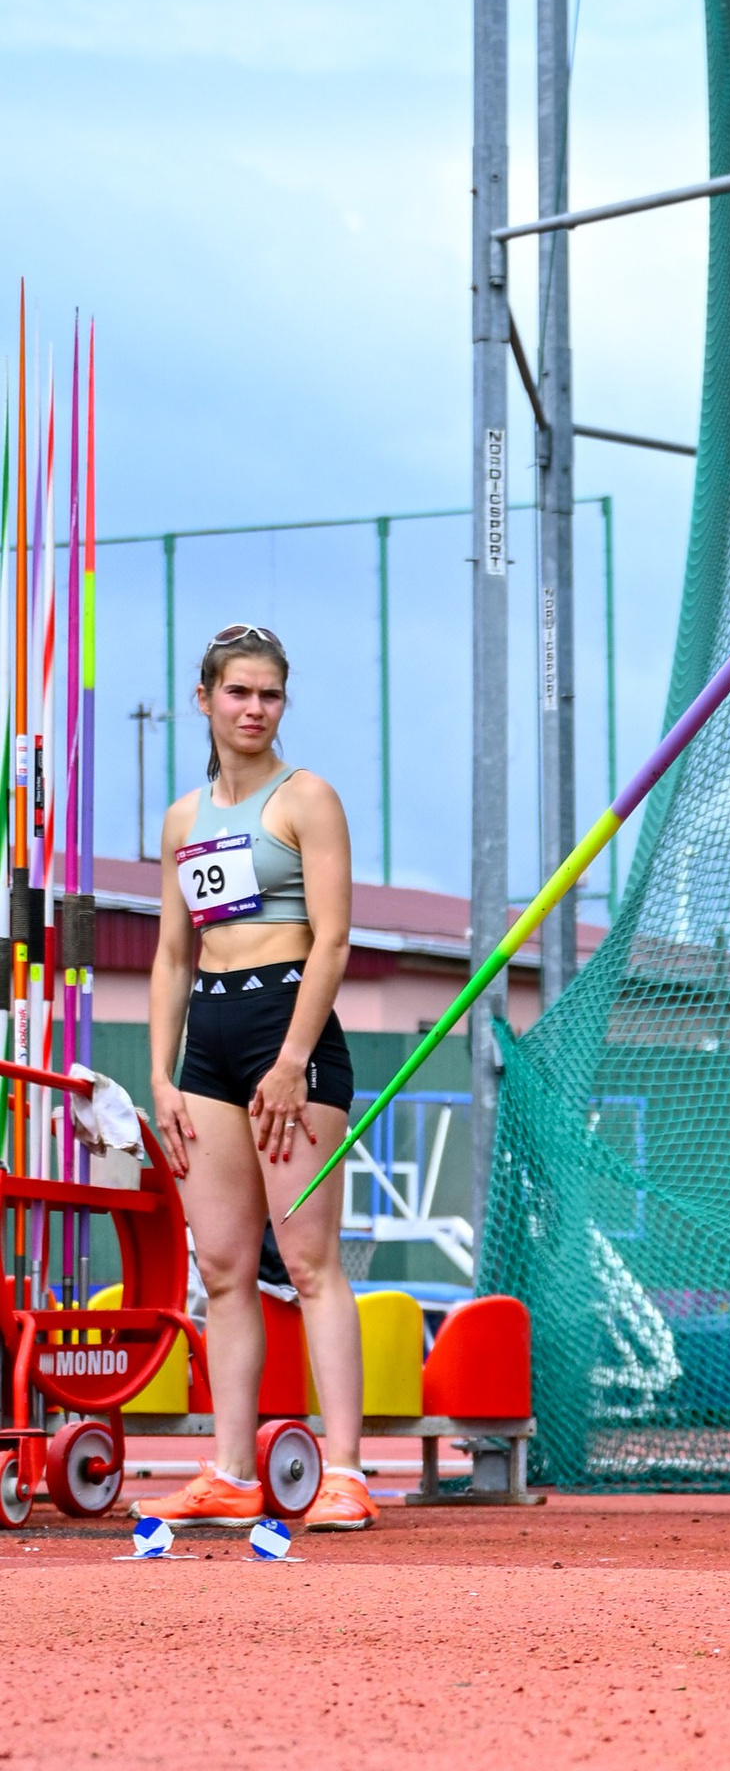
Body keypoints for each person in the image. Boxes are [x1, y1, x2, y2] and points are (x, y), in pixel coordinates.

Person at [144, 626, 373, 1532]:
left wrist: (289, 1062)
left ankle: (346, 1471)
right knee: (225, 1266)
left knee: (311, 1262)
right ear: (204, 699)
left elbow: (335, 939)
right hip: (209, 1041)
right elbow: (170, 955)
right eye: (237, 693)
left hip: (292, 1031)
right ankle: (233, 1471)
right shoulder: (181, 819)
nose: (253, 709)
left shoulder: (306, 798)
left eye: (269, 696)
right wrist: (159, 1076)